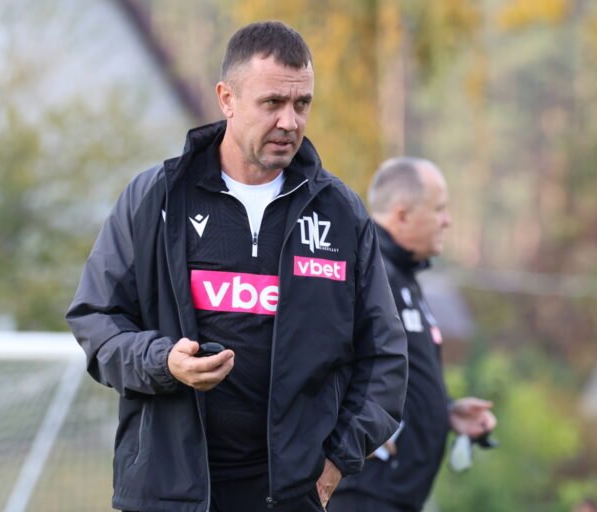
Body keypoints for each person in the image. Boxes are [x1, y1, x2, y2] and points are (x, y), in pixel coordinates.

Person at [66, 21, 408, 512]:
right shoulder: (157, 198)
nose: (290, 121)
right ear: (227, 99)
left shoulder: (340, 213)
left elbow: (385, 356)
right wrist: (163, 362)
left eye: (302, 104)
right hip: (168, 494)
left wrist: (338, 459)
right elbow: (96, 320)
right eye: (272, 102)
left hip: (290, 497)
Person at [330, 157, 498, 512]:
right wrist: (355, 435)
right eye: (439, 209)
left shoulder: (402, 277)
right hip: (364, 494)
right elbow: (321, 361)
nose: (447, 220)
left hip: (394, 497)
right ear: (403, 215)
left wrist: (445, 410)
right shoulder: (364, 270)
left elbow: (396, 373)